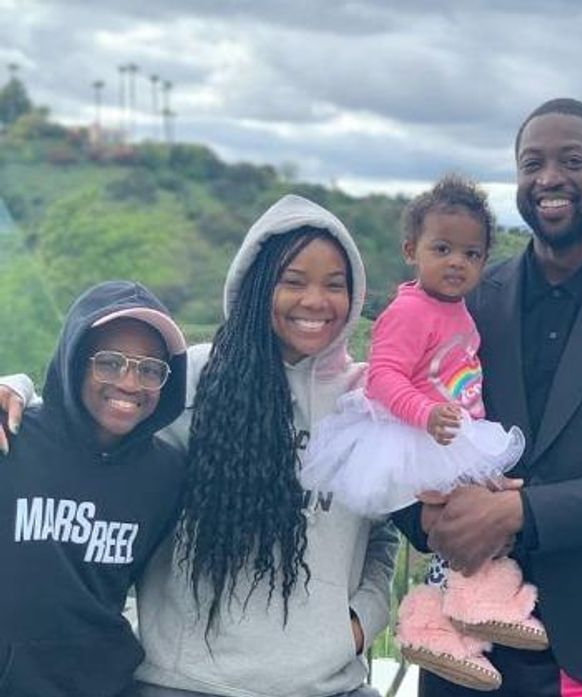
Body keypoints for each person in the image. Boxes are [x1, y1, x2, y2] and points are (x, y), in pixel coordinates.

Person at [0, 194, 398, 697]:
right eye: (292, 281)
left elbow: (384, 533)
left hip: (328, 685)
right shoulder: (193, 378)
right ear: (255, 287)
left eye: (334, 284)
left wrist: (361, 622)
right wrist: (19, 386)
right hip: (186, 684)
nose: (315, 300)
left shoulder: (368, 402)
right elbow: (94, 417)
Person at [391, 98, 582, 696]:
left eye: (571, 160)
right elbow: (390, 413)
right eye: (531, 163)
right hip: (463, 644)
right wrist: (432, 519)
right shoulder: (462, 298)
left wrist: (524, 512)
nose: (548, 178)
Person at [299, 175, 539, 691]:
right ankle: (431, 622)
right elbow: (383, 375)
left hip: (453, 431)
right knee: (456, 521)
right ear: (413, 250)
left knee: (477, 518)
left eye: (472, 254)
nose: (457, 262)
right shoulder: (410, 310)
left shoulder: (457, 309)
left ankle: (470, 613)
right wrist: (423, 414)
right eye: (443, 249)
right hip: (417, 433)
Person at [0, 280, 187, 697]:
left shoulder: (167, 474)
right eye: (109, 362)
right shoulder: (11, 438)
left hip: (107, 685)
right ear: (74, 360)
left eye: (149, 368)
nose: (130, 382)